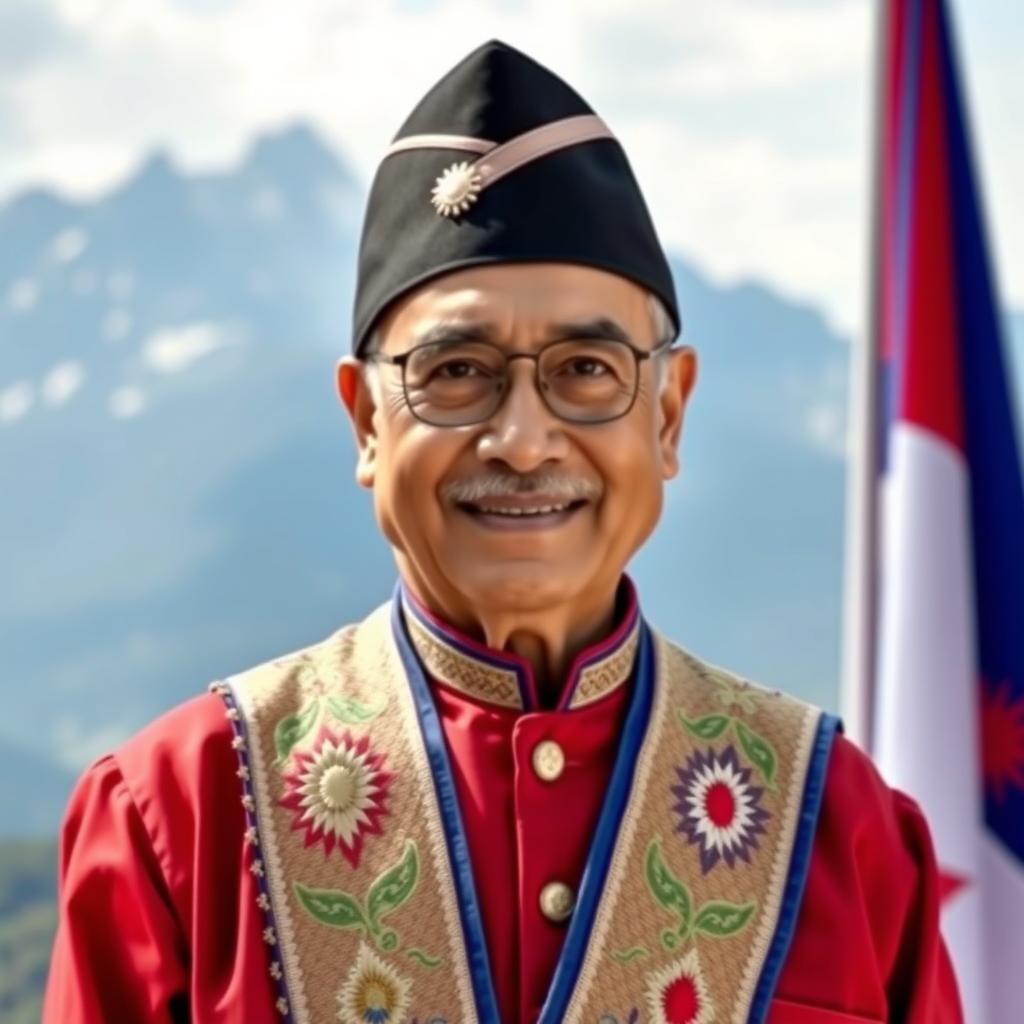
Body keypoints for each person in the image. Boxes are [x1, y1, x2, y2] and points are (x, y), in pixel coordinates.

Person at [43, 39, 961, 1024]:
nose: (523, 440)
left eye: (586, 369)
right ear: (364, 420)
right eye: (455, 370)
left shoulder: (837, 826)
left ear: (668, 415)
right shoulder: (181, 814)